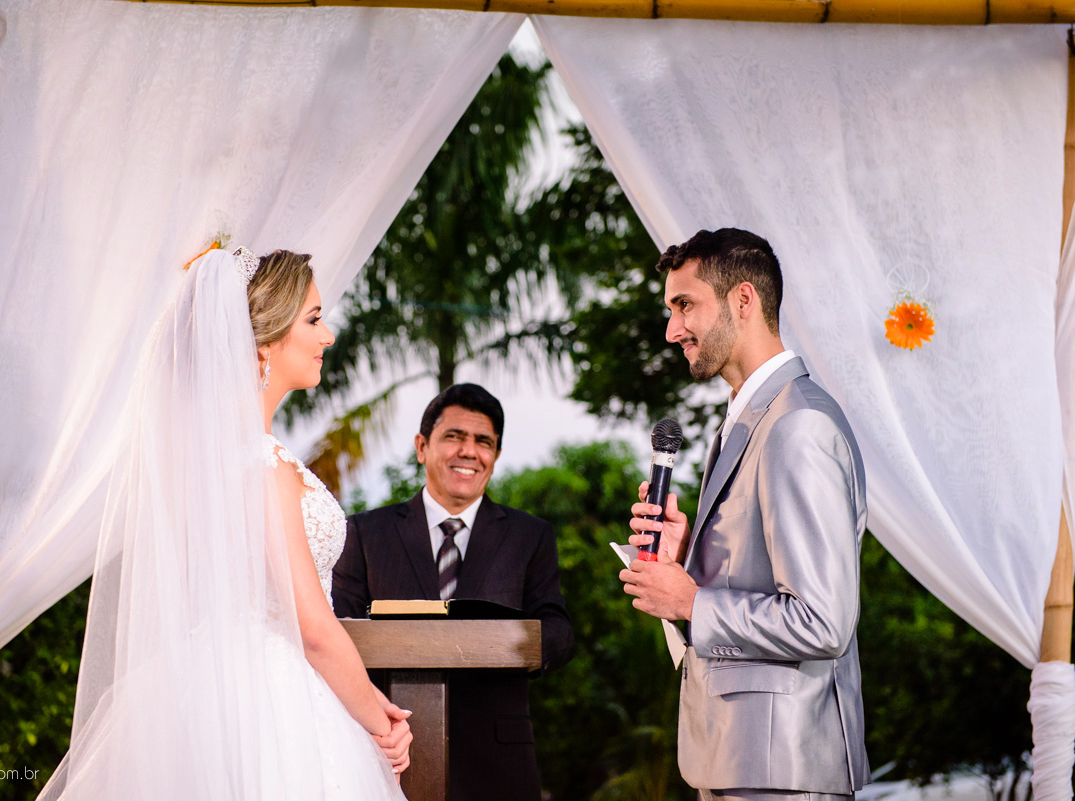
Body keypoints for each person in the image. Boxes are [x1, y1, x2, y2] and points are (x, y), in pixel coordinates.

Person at [39, 247, 410, 801]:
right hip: (272, 702)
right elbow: (313, 630)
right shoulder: (264, 466)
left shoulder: (215, 459)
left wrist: (369, 703)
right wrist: (384, 728)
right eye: (313, 318)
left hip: (204, 688)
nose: (329, 334)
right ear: (264, 344)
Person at [620, 228, 869, 801]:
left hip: (784, 765)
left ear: (743, 300)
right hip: (738, 758)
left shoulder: (796, 425)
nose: (671, 329)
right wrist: (687, 557)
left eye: (685, 305)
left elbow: (823, 622)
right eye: (669, 309)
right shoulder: (748, 417)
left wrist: (691, 602)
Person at [333, 383, 575, 801]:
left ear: (495, 458)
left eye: (484, 442)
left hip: (499, 762)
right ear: (422, 446)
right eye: (454, 437)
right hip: (389, 752)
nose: (469, 451)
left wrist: (503, 640)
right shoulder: (364, 533)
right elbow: (341, 633)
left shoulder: (530, 536)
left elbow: (558, 630)